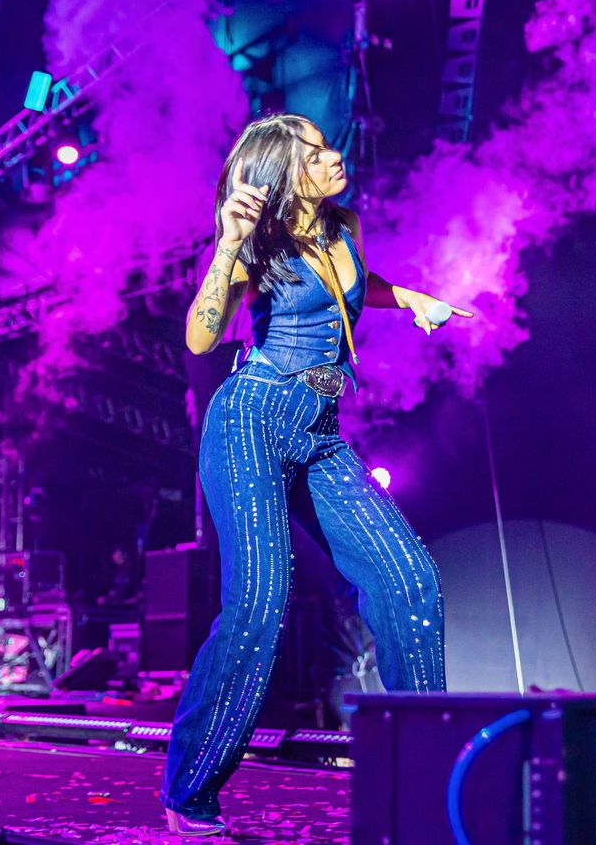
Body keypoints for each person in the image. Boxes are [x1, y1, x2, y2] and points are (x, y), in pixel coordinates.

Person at [161, 113, 473, 835]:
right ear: (283, 174)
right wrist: (227, 245)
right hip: (251, 420)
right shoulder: (257, 242)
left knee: (409, 579)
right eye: (312, 153)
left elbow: (352, 287)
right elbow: (201, 336)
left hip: (320, 433)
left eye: (326, 145)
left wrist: (412, 297)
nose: (332, 156)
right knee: (259, 602)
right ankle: (189, 792)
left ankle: (425, 779)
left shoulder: (345, 226)